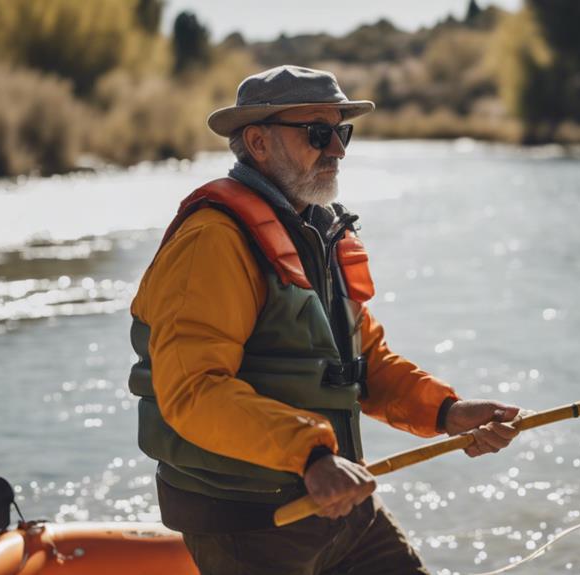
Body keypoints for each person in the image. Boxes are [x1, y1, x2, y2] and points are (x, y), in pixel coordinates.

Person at [127, 65, 525, 574]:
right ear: (258, 142)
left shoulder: (320, 228)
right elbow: (194, 389)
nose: (336, 148)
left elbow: (365, 362)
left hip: (339, 501)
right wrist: (312, 457)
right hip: (249, 522)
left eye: (342, 132)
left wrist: (447, 411)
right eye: (319, 133)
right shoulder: (211, 242)